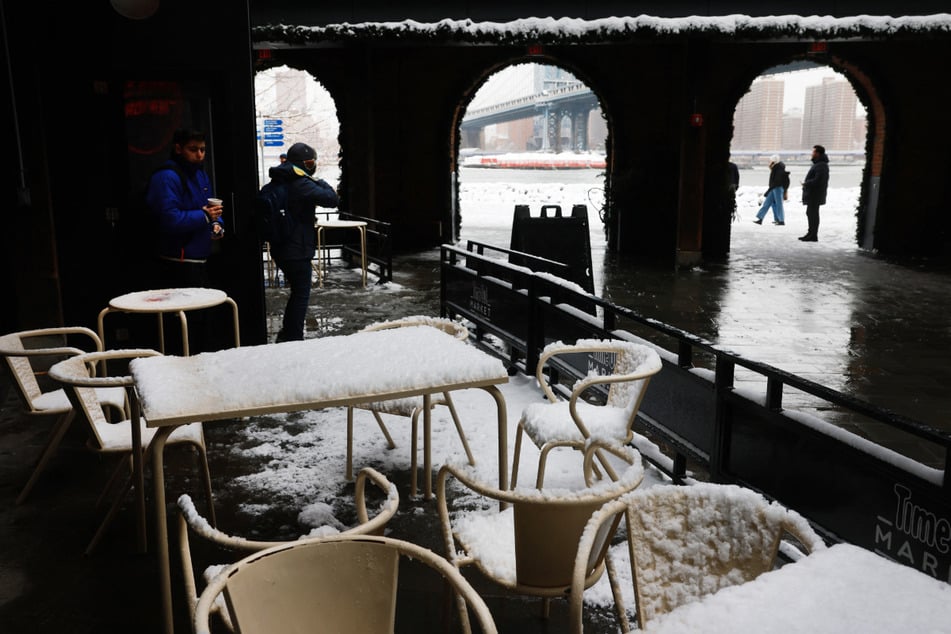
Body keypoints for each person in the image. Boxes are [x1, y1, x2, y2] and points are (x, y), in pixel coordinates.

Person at [267, 141, 339, 342]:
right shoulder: (301, 183)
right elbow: (332, 199)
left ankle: (289, 333)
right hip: (296, 249)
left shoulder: (280, 179)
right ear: (300, 164)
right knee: (301, 295)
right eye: (309, 163)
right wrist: (320, 181)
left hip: (281, 246)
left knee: (296, 292)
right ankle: (293, 337)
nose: (311, 166)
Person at [145, 127, 224, 288]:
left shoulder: (200, 174)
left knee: (201, 310)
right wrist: (205, 216)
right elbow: (168, 219)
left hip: (199, 257)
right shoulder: (166, 177)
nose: (199, 155)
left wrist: (217, 224)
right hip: (176, 261)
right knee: (187, 312)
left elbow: (210, 210)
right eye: (193, 149)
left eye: (202, 150)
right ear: (178, 149)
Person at [799, 144, 830, 242]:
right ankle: (810, 233)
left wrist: (806, 183)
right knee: (810, 213)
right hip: (814, 194)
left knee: (813, 214)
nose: (812, 154)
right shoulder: (819, 164)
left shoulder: (821, 165)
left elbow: (818, 180)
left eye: (813, 152)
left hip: (815, 195)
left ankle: (813, 235)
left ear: (818, 153)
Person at [753, 154, 788, 226]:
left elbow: (777, 181)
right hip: (773, 188)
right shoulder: (776, 167)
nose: (769, 162)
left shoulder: (778, 168)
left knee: (779, 205)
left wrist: (771, 188)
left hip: (777, 188)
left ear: (774, 161)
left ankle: (781, 220)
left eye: (771, 160)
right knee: (767, 203)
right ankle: (760, 219)